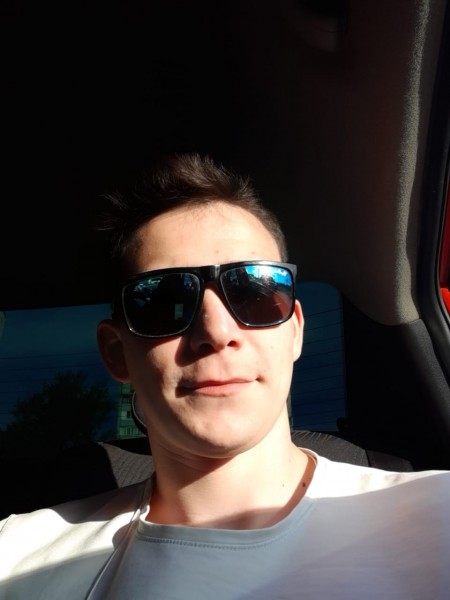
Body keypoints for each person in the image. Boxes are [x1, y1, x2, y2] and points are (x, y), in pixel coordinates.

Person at [0, 153, 449, 599]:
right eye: (163, 302)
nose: (216, 332)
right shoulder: (17, 559)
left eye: (255, 291)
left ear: (294, 332)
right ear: (117, 354)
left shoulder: (437, 517)